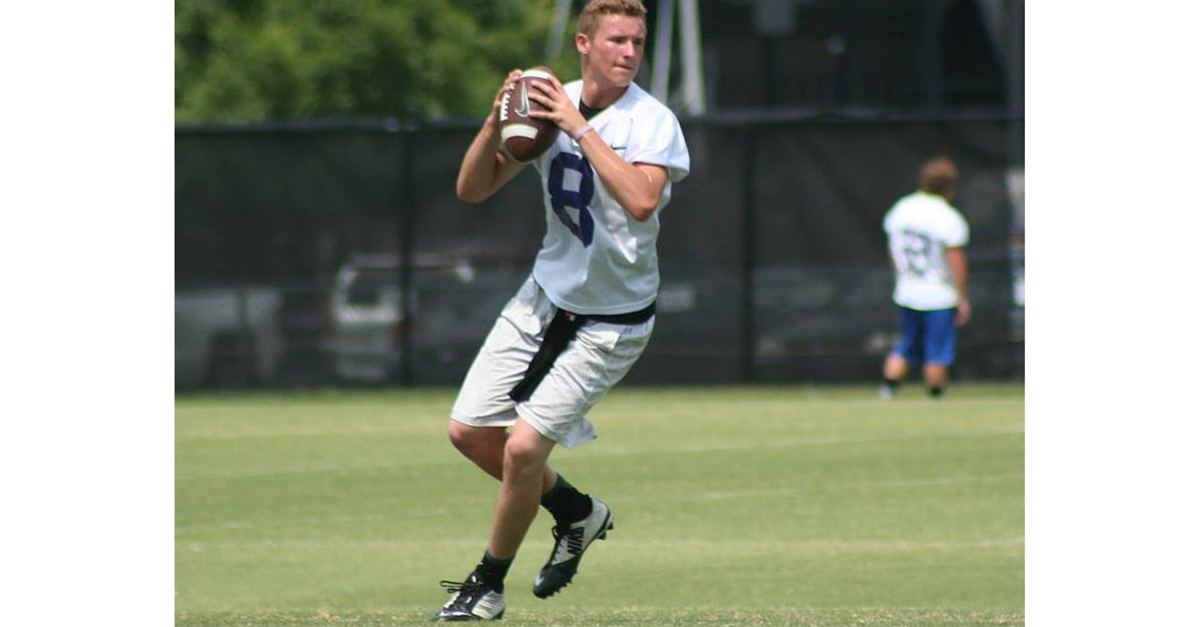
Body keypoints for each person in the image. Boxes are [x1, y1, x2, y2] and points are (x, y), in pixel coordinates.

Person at [430, 0, 689, 621]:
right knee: (468, 431)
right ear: (583, 43)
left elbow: (642, 201)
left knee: (521, 451)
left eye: (638, 41)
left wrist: (579, 125)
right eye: (618, 40)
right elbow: (472, 189)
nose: (629, 52)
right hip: (546, 298)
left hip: (613, 320)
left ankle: (486, 586)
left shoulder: (651, 120)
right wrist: (495, 123)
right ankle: (577, 512)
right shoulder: (552, 100)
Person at [880, 157, 971, 400]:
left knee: (906, 346)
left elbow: (894, 249)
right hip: (939, 294)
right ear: (950, 187)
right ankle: (936, 398)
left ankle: (887, 392)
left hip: (907, 290)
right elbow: (956, 259)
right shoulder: (948, 217)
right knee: (937, 351)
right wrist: (962, 296)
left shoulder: (902, 208)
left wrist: (901, 277)